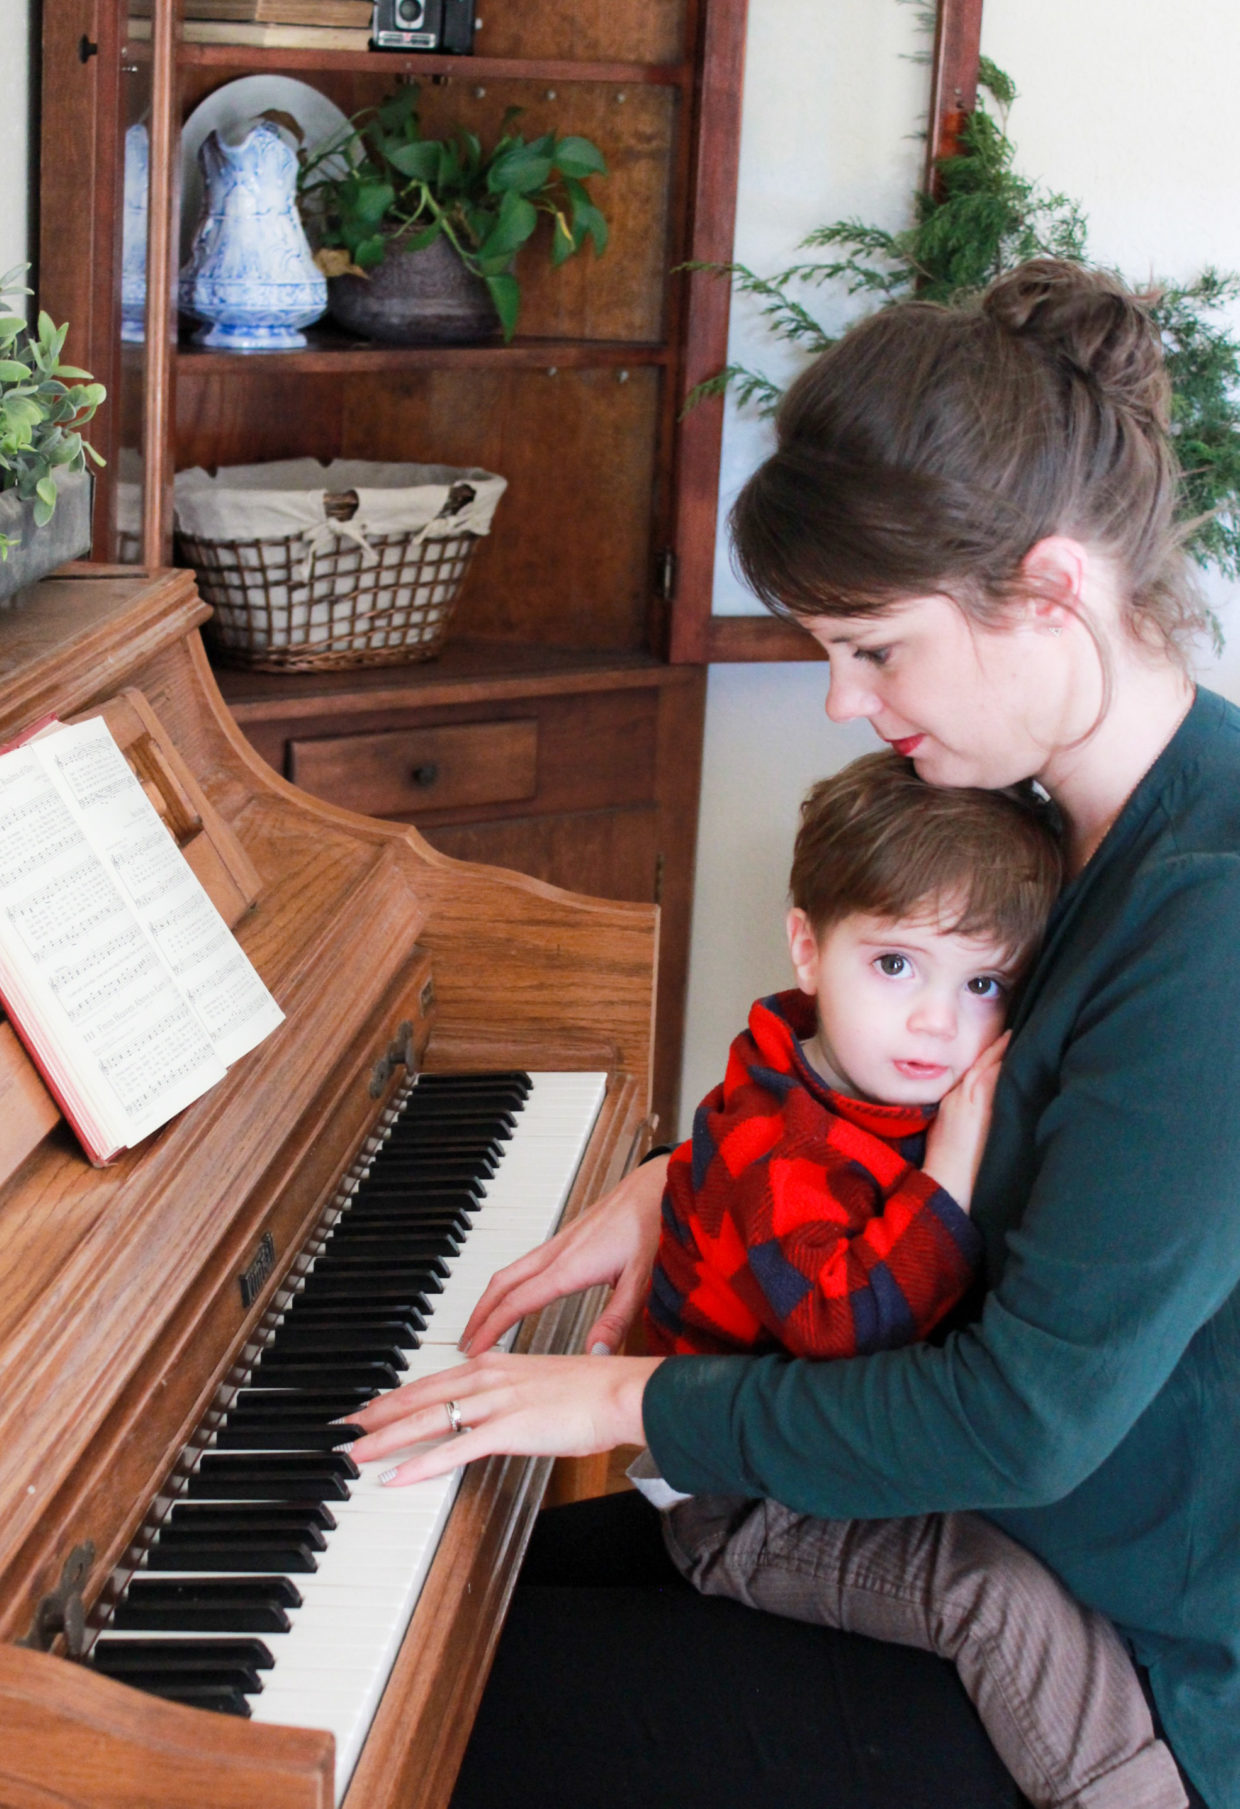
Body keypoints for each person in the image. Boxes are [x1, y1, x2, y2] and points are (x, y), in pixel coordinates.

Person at [346, 259, 1239, 1809]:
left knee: (422, 1731)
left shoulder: (1214, 916)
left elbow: (1022, 1418)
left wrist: (620, 1399)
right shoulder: (1039, 825)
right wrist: (684, 1178)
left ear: (1049, 589)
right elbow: (920, 1126)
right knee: (424, 1601)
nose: (841, 703)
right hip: (942, 1526)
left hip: (1121, 1650)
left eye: (875, 647)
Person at [639, 749, 1184, 1809]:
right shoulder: (775, 1139)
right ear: (807, 947)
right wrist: (947, 1174)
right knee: (995, 1599)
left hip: (847, 1456)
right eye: (895, 965)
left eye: (982, 984)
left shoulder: (882, 1082)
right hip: (747, 1502)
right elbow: (844, 1327)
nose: (937, 1022)